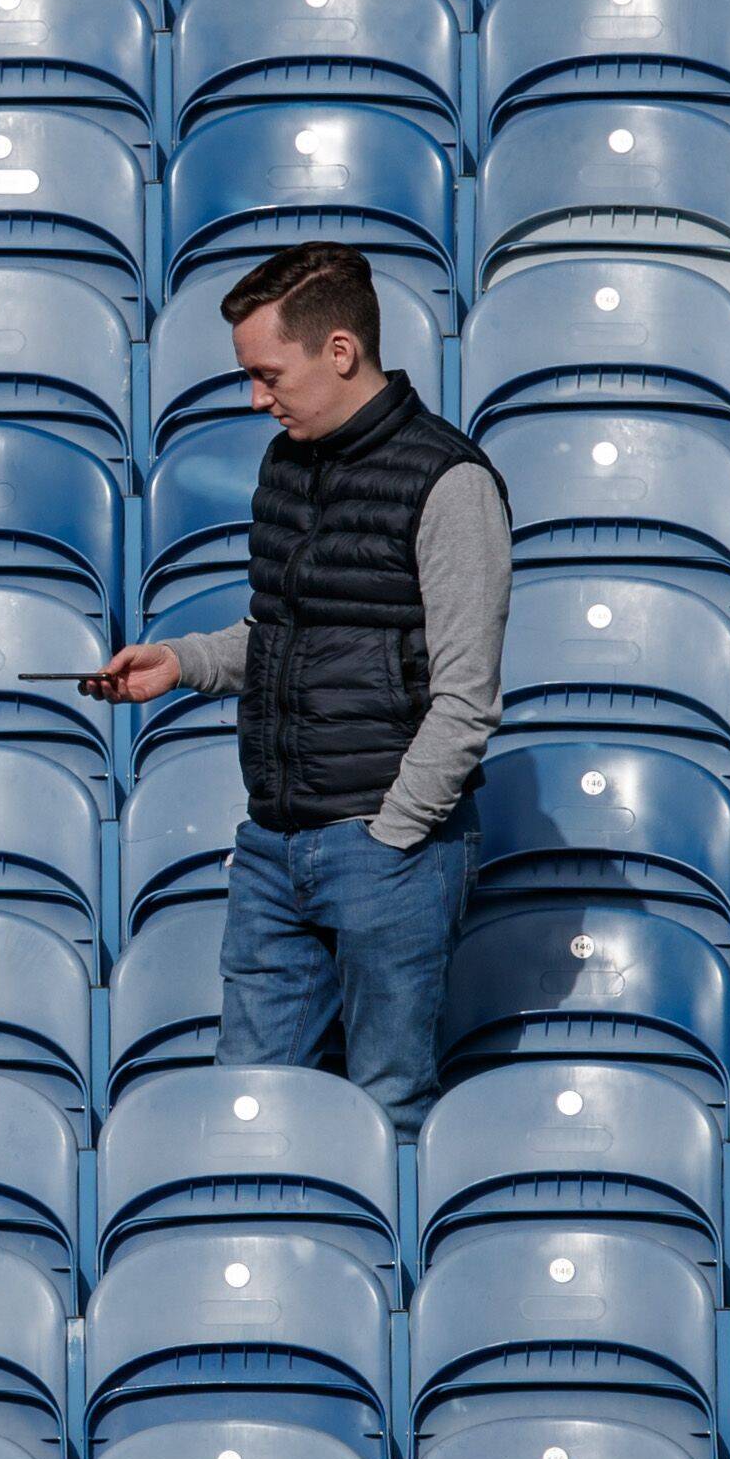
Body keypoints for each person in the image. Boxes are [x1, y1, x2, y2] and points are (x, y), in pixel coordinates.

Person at [88, 242, 512, 1130]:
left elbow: (467, 696)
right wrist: (183, 664)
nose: (255, 398)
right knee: (250, 1108)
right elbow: (282, 635)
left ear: (342, 352)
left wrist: (392, 836)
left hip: (386, 849)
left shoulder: (451, 482)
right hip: (275, 846)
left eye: (267, 374)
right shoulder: (288, 465)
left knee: (386, 1107)